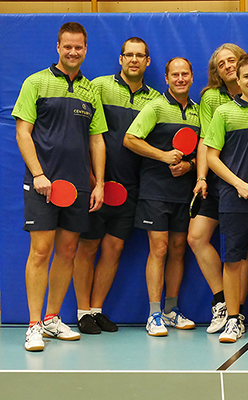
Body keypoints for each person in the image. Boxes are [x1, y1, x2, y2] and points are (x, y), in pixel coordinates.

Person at [12, 22, 107, 351]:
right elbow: (23, 132)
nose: (73, 52)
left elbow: (97, 139)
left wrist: (100, 182)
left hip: (79, 187)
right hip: (43, 185)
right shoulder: (35, 82)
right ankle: (34, 324)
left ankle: (52, 318)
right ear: (57, 47)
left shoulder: (90, 90)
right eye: (67, 46)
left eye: (79, 47)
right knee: (40, 253)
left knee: (67, 252)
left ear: (85, 49)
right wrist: (38, 174)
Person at [188, 44, 248, 335]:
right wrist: (235, 184)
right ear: (238, 81)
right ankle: (232, 318)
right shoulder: (222, 111)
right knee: (233, 260)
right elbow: (210, 152)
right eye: (246, 77)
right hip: (230, 198)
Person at [73, 37, 160, 335]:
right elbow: (85, 133)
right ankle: (82, 311)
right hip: (96, 184)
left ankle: (96, 310)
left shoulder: (156, 100)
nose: (134, 60)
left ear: (147, 61)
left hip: (131, 188)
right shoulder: (98, 87)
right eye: (129, 55)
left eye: (140, 56)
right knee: (87, 247)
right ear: (120, 59)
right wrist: (92, 179)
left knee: (113, 248)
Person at [123, 57, 199, 337]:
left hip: (183, 193)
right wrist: (163, 155)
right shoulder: (154, 106)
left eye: (185, 74)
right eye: (175, 75)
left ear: (191, 77)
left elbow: (200, 151)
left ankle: (171, 311)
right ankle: (154, 314)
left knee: (179, 249)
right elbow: (130, 139)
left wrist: (189, 166)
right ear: (166, 79)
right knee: (160, 249)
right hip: (155, 191)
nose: (180, 79)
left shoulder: (198, 112)